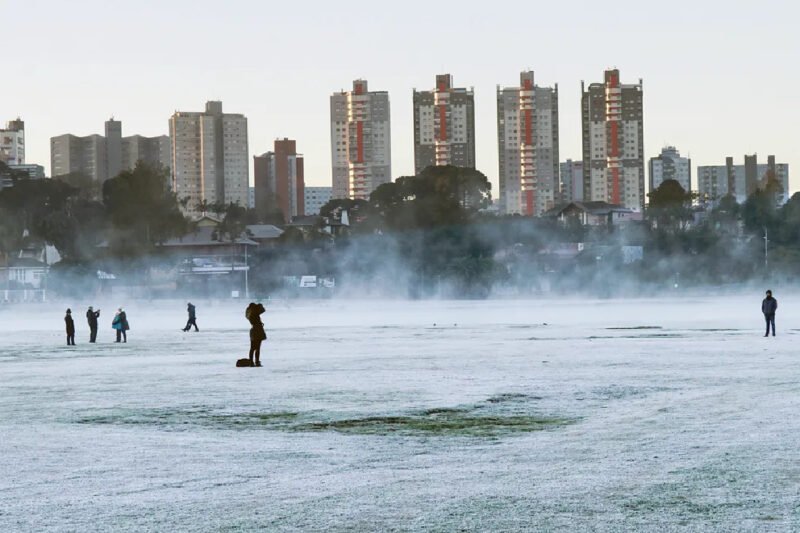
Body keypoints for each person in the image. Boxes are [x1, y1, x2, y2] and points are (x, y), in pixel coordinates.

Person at [245, 302, 266, 367]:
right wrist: (260, 305)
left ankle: (251, 362)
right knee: (257, 348)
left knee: (252, 348)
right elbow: (263, 310)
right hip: (258, 330)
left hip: (253, 330)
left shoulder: (250, 314)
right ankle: (257, 362)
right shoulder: (254, 314)